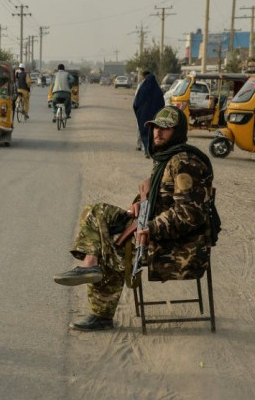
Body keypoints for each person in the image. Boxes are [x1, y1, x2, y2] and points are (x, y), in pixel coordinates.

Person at [53, 106, 214, 331]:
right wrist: (141, 201)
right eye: (156, 126)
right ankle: (90, 265)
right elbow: (165, 198)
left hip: (177, 242)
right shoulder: (167, 158)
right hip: (152, 223)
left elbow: (189, 215)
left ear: (177, 132)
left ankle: (102, 314)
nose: (158, 132)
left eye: (166, 128)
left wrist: (149, 227)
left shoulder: (185, 163)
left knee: (108, 247)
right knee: (95, 211)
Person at [133, 71, 165, 157]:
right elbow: (162, 104)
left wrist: (138, 112)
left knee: (144, 131)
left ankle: (146, 150)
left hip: (143, 115)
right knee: (153, 132)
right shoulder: (158, 90)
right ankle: (151, 150)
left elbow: (136, 103)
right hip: (155, 116)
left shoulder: (142, 88)